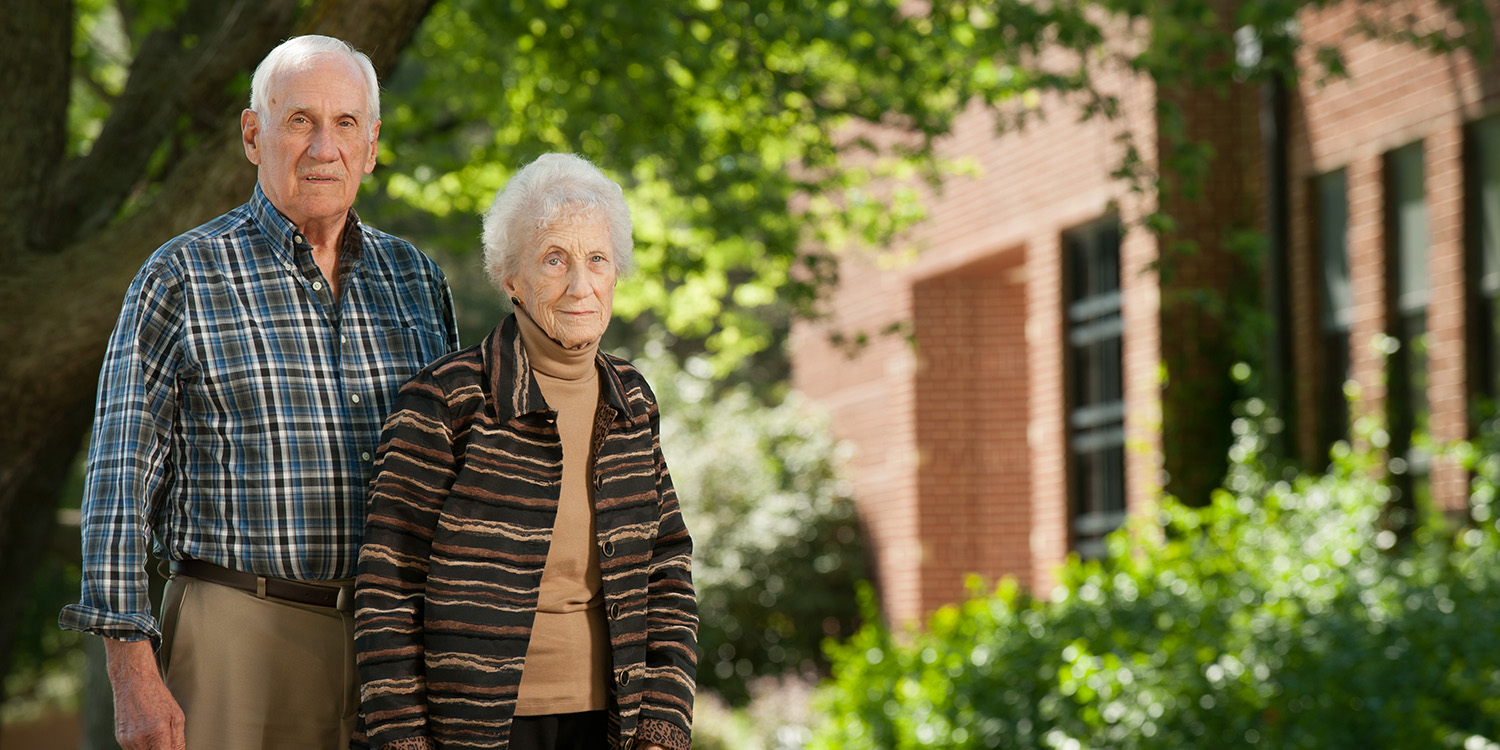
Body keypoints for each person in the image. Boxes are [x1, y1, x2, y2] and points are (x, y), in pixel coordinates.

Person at [59, 34, 460, 750]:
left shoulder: (417, 284)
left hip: (393, 654)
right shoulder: (181, 276)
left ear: (371, 145)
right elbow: (118, 487)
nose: (322, 148)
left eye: (345, 125)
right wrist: (132, 672)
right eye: (299, 120)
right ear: (254, 134)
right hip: (235, 633)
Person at [354, 153, 697, 750]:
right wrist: (401, 740)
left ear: (617, 272)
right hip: (475, 727)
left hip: (614, 722)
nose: (580, 285)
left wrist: (665, 725)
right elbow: (388, 587)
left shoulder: (632, 399)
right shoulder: (447, 399)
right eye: (554, 259)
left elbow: (668, 568)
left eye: (596, 260)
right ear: (510, 277)